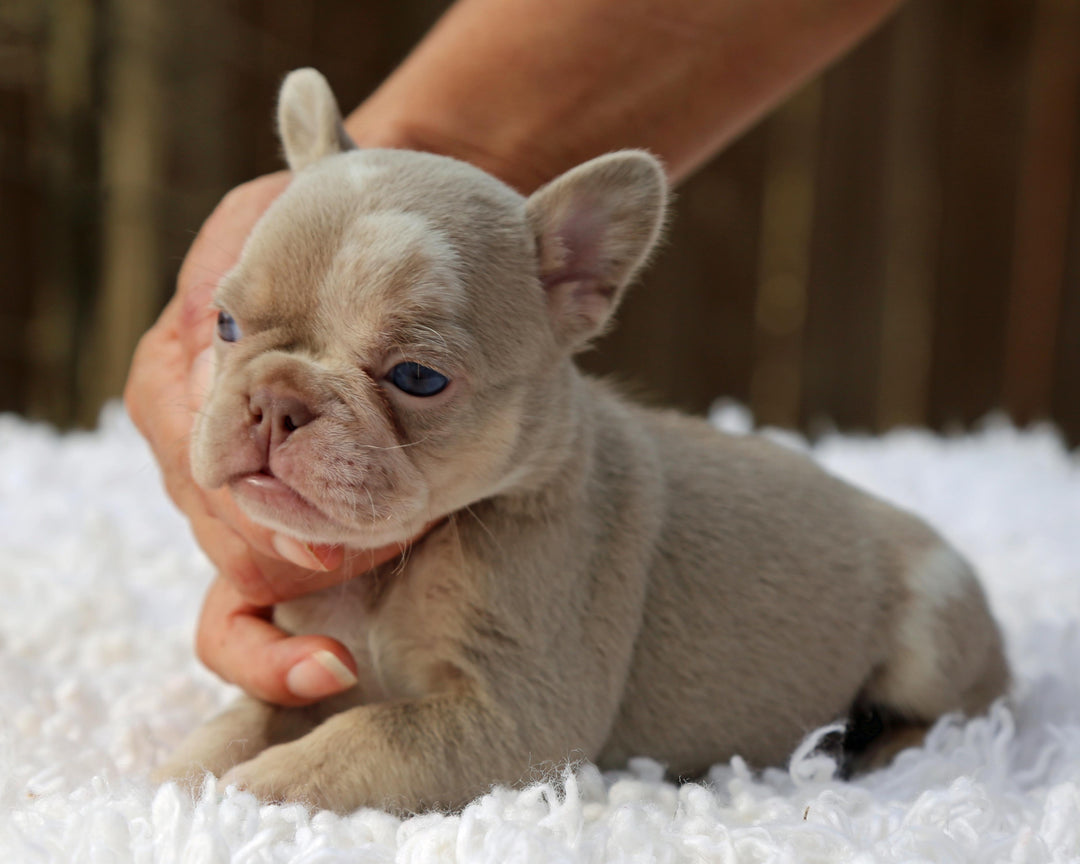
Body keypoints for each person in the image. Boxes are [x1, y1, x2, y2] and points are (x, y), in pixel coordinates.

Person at [125, 0, 906, 707]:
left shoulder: (555, 515)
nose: (276, 413)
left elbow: (511, 725)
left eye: (414, 376)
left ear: (578, 280)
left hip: (882, 603)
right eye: (233, 327)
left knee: (920, 602)